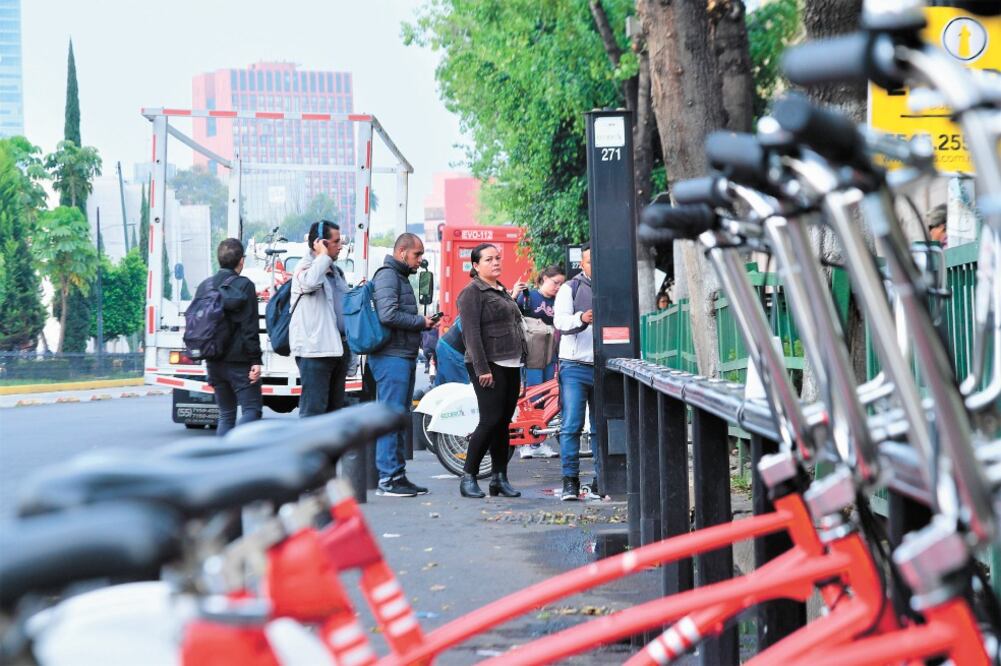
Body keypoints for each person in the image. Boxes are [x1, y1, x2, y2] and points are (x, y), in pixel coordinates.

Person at [456, 243, 527, 499]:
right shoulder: (472, 292)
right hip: (488, 365)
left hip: (510, 363)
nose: (496, 262)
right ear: (476, 265)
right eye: (489, 259)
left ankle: (499, 478)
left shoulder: (500, 290)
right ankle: (468, 477)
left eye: (498, 258)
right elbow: (471, 334)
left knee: (503, 423)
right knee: (490, 420)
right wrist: (482, 368)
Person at [370, 233, 437, 497]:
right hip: (390, 356)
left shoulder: (399, 277)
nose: (420, 260)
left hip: (401, 354)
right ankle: (387, 478)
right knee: (390, 417)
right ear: (401, 253)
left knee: (398, 417)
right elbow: (388, 315)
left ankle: (397, 475)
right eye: (417, 254)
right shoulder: (387, 275)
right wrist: (421, 322)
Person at [198, 238, 263, 436]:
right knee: (252, 411)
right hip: (240, 362)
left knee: (226, 415)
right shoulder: (244, 286)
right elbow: (249, 327)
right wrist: (255, 360)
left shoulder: (205, 286)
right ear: (241, 261)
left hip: (213, 359)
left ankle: (221, 460)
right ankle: (236, 448)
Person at [553, 242, 599, 501]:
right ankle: (570, 482)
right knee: (572, 425)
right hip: (574, 366)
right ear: (582, 264)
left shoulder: (614, 286)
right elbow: (559, 321)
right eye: (590, 261)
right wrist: (580, 319)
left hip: (605, 365)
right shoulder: (570, 288)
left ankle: (601, 481)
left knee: (601, 427)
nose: (595, 264)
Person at [290, 220, 350, 417]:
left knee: (333, 414)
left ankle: (329, 449)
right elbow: (309, 283)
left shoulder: (337, 272)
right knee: (313, 412)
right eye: (335, 242)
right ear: (321, 243)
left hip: (338, 349)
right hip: (315, 352)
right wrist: (323, 256)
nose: (340, 246)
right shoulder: (305, 267)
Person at [512, 265, 565, 459]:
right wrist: (514, 293)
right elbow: (511, 314)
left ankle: (538, 441)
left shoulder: (560, 301)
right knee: (532, 397)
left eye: (561, 283)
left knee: (546, 397)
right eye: (555, 282)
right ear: (543, 278)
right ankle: (526, 442)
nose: (558, 287)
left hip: (551, 353)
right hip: (531, 354)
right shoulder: (529, 297)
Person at [434, 317, 470, 386]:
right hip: (452, 352)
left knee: (442, 384)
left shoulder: (470, 310)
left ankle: (424, 394)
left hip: (443, 344)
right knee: (459, 387)